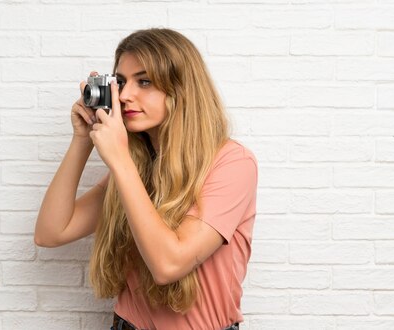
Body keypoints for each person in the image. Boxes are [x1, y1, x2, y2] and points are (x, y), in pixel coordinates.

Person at [34, 28, 258, 330]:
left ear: (181, 89)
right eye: (121, 82)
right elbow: (51, 232)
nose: (125, 96)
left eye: (145, 81)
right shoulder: (135, 165)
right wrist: (81, 140)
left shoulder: (231, 163)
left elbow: (169, 265)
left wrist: (120, 159)